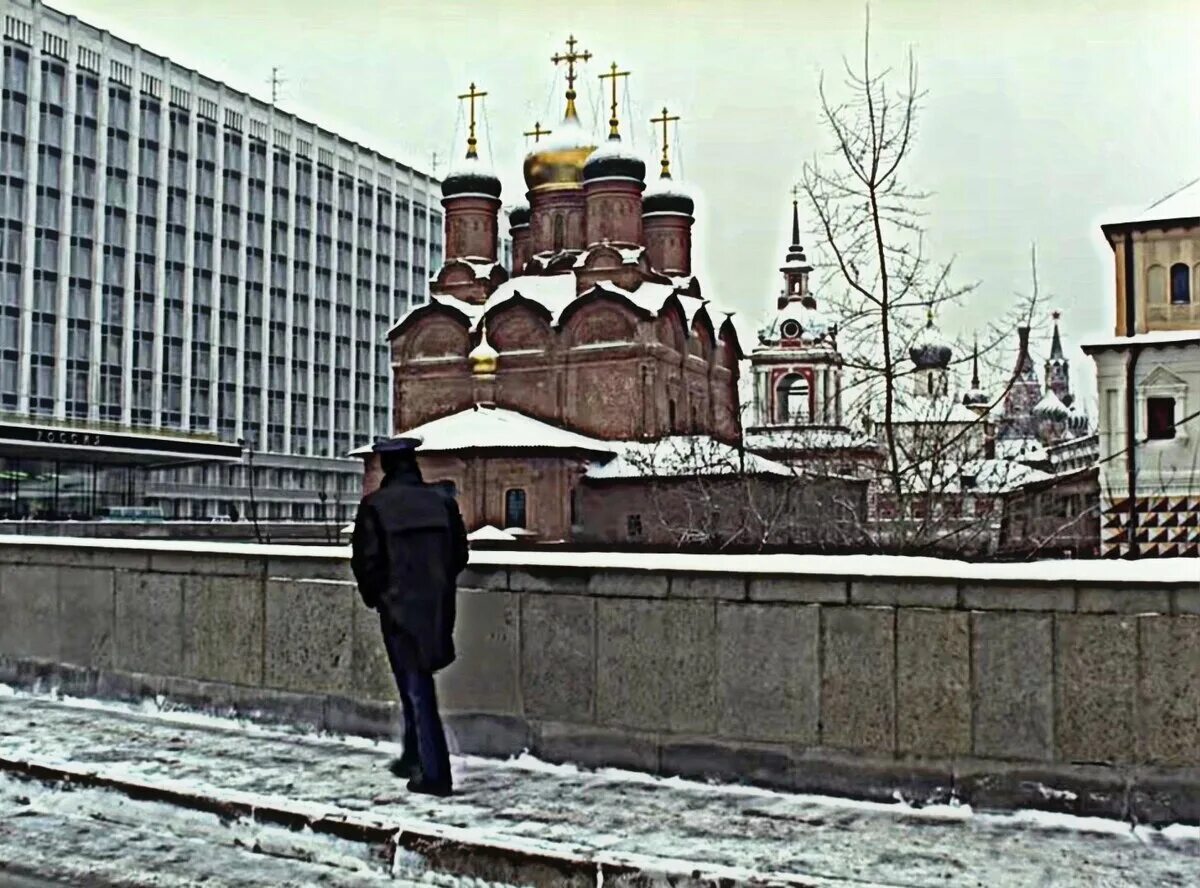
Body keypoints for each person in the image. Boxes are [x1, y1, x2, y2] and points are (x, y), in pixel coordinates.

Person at [351, 436, 468, 796]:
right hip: (436, 607)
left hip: (399, 609)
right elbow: (459, 555)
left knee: (417, 688)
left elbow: (366, 562)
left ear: (386, 466)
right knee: (415, 683)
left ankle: (435, 774)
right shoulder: (441, 501)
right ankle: (412, 755)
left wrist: (380, 597)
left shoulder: (376, 506)